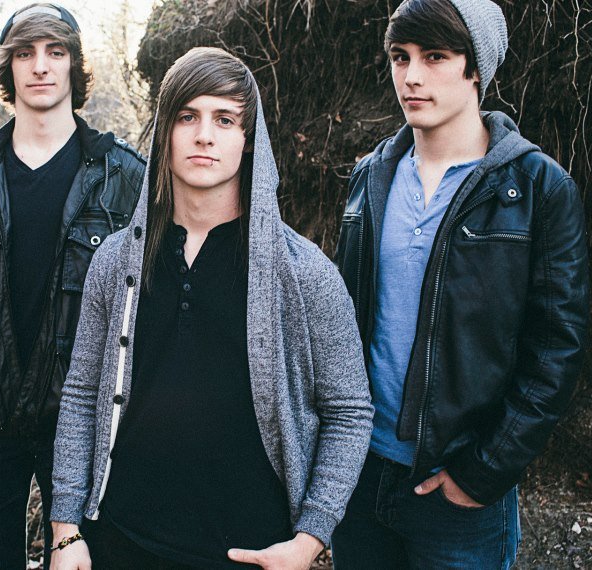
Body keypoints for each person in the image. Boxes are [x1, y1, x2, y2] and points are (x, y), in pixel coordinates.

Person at [49, 46, 373, 570]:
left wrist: (310, 537)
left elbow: (349, 410)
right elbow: (83, 393)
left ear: (248, 140)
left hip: (250, 551)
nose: (204, 135)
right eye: (187, 117)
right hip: (120, 542)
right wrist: (66, 531)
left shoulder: (303, 273)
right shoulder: (115, 262)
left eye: (224, 119)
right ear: (164, 133)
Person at [331, 1, 589, 567]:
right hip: (361, 475)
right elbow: (341, 324)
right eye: (400, 57)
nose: (411, 76)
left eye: (435, 57)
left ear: (476, 69)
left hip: (458, 493)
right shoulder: (369, 177)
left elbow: (558, 348)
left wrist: (483, 470)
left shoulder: (537, 187)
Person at [0, 4, 145, 568]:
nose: (41, 66)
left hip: (82, 428)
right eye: (25, 54)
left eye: (55, 51)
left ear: (75, 64)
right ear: (8, 69)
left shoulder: (126, 177)